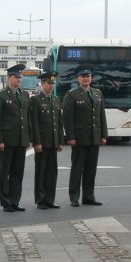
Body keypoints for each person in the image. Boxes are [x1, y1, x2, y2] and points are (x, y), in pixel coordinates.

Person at [62, 68, 108, 207]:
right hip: (79, 138)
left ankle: (88, 196)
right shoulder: (72, 95)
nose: (86, 79)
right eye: (83, 77)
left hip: (94, 137)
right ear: (78, 79)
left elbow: (101, 115)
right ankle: (74, 197)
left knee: (91, 169)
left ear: (91, 78)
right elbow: (67, 118)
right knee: (77, 168)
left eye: (88, 76)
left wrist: (104, 135)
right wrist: (70, 137)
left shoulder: (97, 93)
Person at [0, 63, 31, 212]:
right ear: (9, 77)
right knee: (5, 172)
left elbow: (26, 118)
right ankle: (6, 201)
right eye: (16, 77)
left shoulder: (24, 94)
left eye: (20, 77)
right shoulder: (1, 95)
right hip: (7, 140)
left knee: (17, 172)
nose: (19, 79)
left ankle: (15, 200)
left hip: (21, 140)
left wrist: (28, 138)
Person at [29, 71, 64, 210]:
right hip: (42, 142)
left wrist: (61, 140)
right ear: (42, 84)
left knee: (52, 172)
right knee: (41, 171)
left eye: (52, 83)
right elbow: (34, 123)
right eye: (49, 83)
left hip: (53, 142)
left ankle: (50, 199)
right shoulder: (36, 100)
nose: (51, 86)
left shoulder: (56, 100)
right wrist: (36, 142)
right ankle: (40, 199)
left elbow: (59, 123)